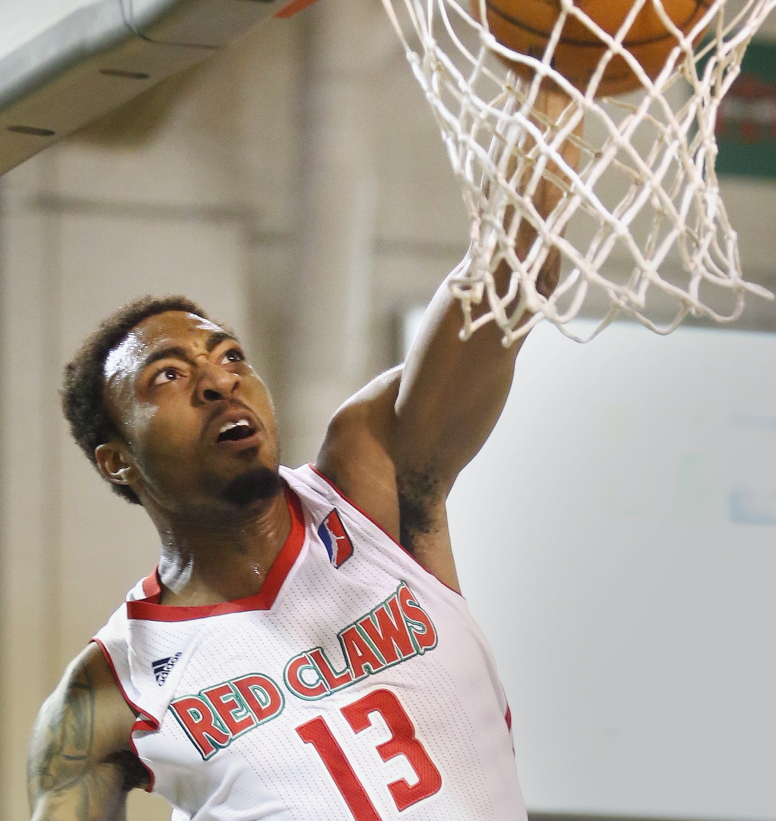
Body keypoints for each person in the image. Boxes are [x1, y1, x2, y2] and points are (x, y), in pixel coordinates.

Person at [26, 97, 574, 821]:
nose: (218, 379)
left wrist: (553, 90)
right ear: (116, 461)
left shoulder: (372, 479)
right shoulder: (105, 693)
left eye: (229, 356)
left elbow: (508, 272)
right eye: (168, 375)